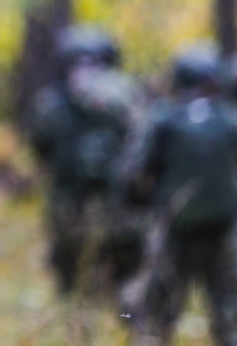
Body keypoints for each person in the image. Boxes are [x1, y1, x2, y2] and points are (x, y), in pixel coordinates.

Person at [118, 44, 237, 346]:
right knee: (229, 315)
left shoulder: (162, 119)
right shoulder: (230, 120)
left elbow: (135, 172)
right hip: (224, 231)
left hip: (173, 229)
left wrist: (141, 205)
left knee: (157, 319)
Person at [24, 25, 146, 297]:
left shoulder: (48, 102)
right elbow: (145, 148)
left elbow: (39, 148)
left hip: (69, 210)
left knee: (74, 285)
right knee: (127, 284)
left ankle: (80, 331)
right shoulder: (129, 96)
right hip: (122, 209)